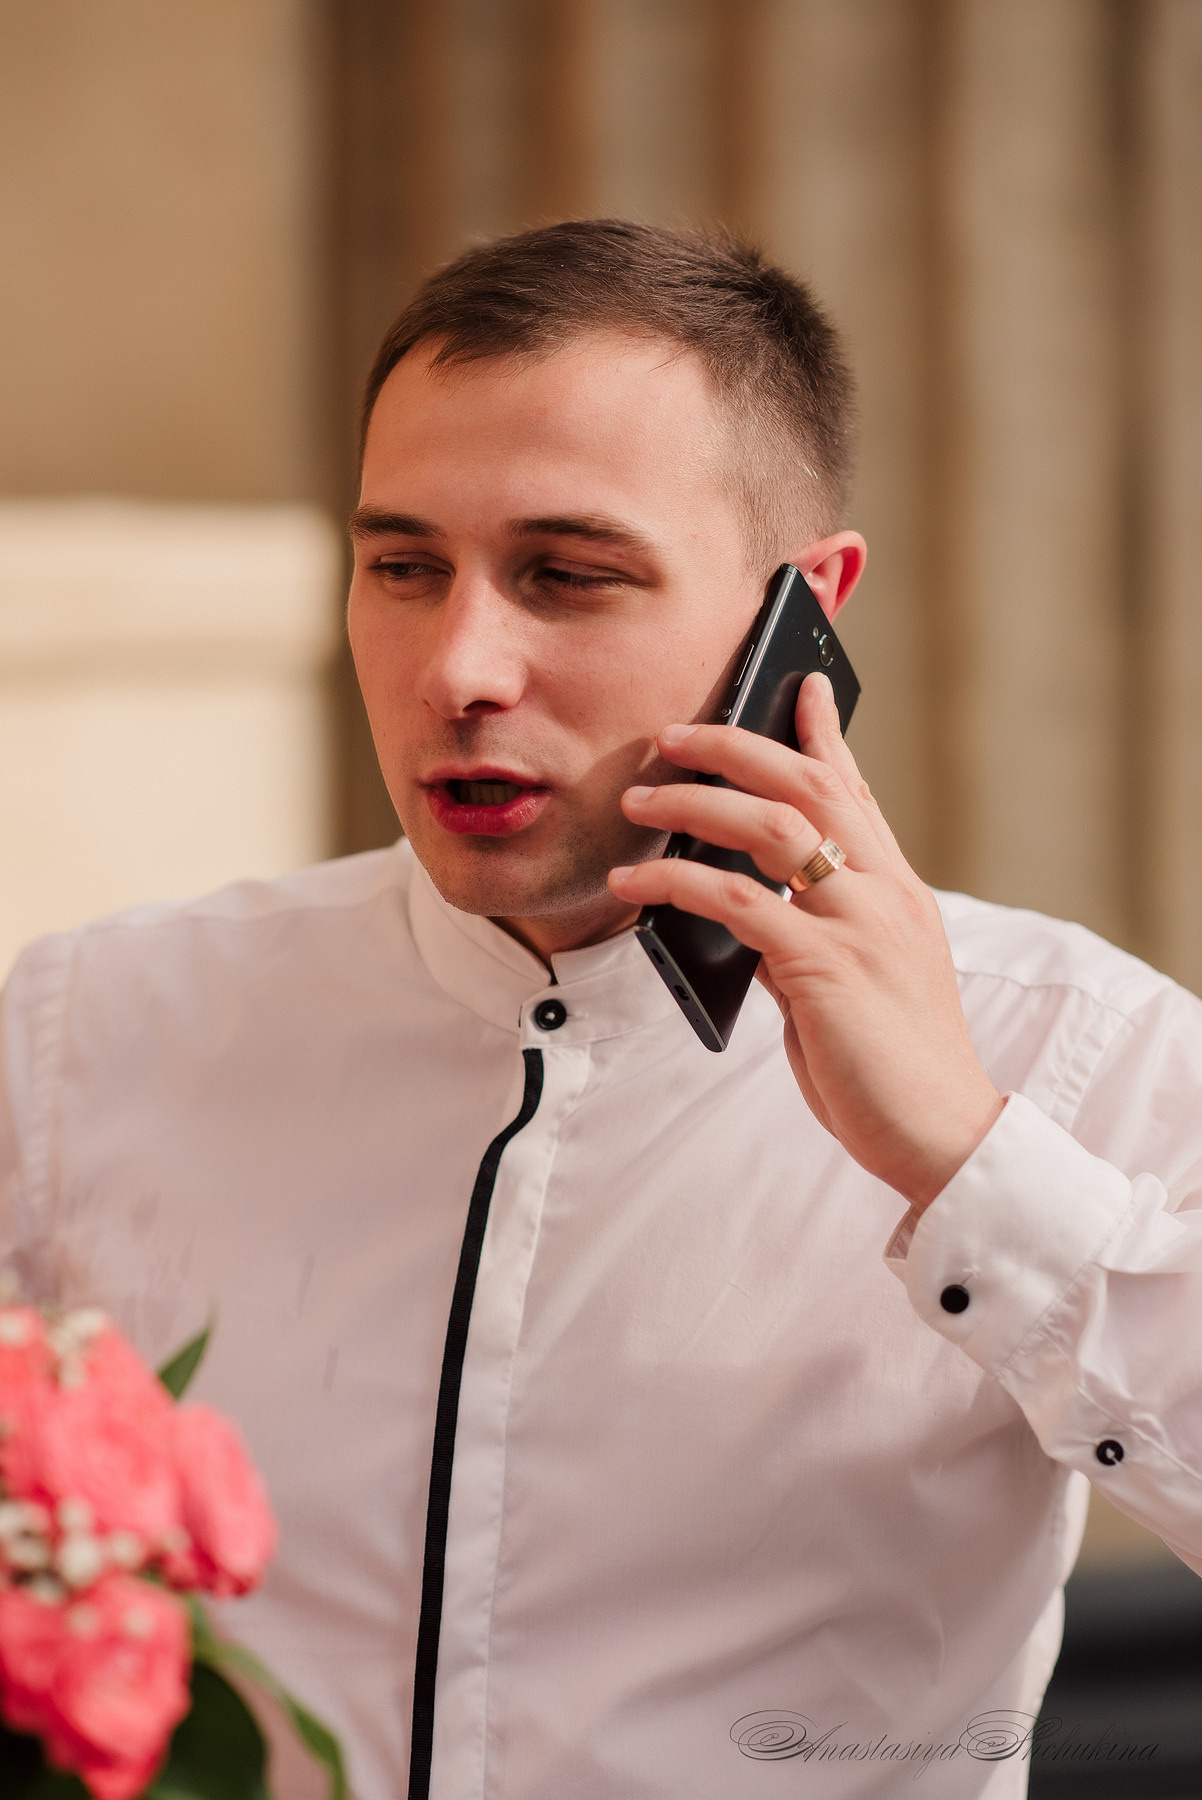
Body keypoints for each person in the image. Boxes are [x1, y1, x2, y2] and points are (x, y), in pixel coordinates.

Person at [2, 220, 1201, 1800]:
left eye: (567, 575)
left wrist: (970, 1166)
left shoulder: (1072, 1047)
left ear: (806, 607)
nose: (459, 667)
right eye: (401, 567)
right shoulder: (87, 1024)